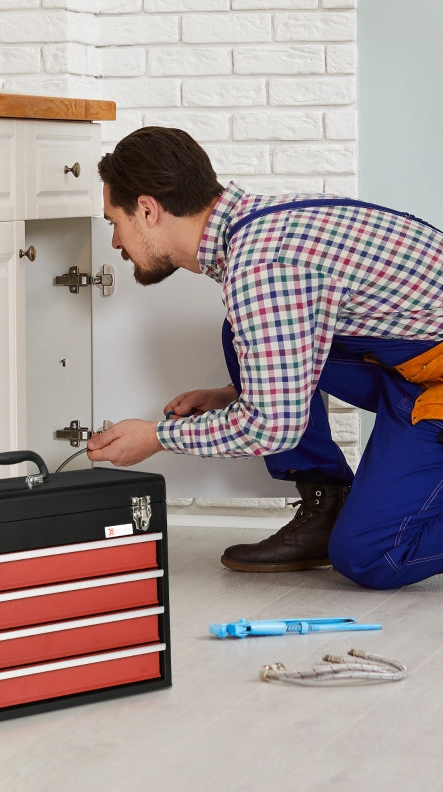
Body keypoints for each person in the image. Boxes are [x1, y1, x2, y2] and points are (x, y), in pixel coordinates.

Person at [86, 126, 443, 590]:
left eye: (114, 220)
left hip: (430, 383)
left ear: (148, 209)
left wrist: (157, 437)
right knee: (241, 335)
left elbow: (273, 426)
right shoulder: (259, 224)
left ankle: (347, 525)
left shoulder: (261, 266)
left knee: (370, 555)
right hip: (413, 363)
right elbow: (297, 336)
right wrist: (237, 391)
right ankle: (327, 507)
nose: (114, 242)